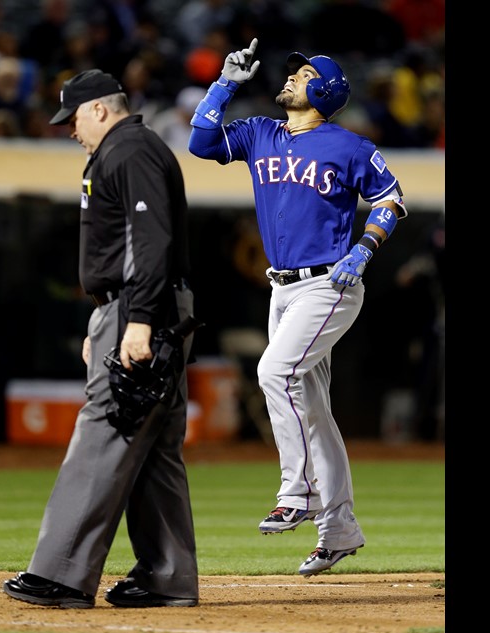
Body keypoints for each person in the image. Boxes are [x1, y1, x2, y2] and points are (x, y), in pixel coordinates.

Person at [187, 39, 408, 576]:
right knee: (313, 410)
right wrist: (224, 84)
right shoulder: (262, 132)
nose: (290, 78)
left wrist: (365, 246)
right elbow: (200, 143)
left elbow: (392, 197)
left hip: (329, 284)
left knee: (273, 371)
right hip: (281, 289)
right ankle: (338, 530)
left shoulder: (349, 145)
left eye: (304, 73)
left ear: (325, 90)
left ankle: (300, 489)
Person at [2, 69, 200, 608]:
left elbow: (149, 242)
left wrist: (133, 320)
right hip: (143, 308)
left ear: (99, 110)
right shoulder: (132, 148)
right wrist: (106, 317)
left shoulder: (129, 149)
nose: (70, 130)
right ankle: (167, 577)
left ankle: (61, 574)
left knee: (105, 427)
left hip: (145, 310)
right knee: (155, 447)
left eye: (73, 119)